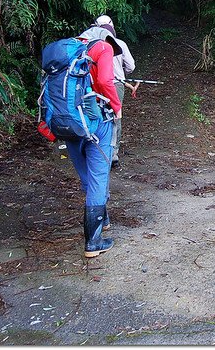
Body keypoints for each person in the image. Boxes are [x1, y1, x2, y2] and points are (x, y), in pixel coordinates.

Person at [66, 25, 122, 257]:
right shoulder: (103, 47)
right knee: (99, 175)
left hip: (68, 121)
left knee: (87, 176)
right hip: (96, 121)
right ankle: (93, 242)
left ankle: (103, 218)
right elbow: (106, 81)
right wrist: (117, 107)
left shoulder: (69, 51)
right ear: (106, 36)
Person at [93, 15, 135, 168]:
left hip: (94, 86)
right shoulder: (120, 44)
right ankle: (113, 154)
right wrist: (121, 71)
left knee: (96, 115)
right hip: (116, 85)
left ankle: (97, 151)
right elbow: (131, 66)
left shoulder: (92, 45)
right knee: (116, 117)